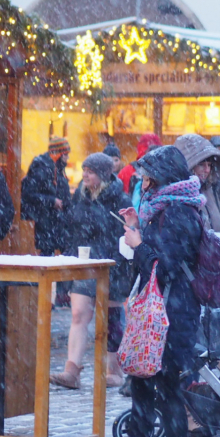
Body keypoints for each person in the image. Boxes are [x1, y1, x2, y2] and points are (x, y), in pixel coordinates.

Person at [92, 146, 205, 437]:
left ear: (162, 176)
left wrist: (138, 243)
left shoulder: (177, 212)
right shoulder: (172, 207)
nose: (142, 179)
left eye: (147, 173)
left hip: (168, 315)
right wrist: (135, 227)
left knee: (146, 387)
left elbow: (164, 265)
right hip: (171, 311)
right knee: (166, 390)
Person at [50, 153, 130, 390]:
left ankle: (113, 370)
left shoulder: (119, 199)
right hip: (83, 265)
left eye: (90, 171)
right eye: (84, 170)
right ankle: (71, 371)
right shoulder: (79, 197)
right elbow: (73, 228)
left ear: (103, 175)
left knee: (111, 319)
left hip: (111, 266)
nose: (85, 175)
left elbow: (125, 234)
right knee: (79, 314)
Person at [21, 136, 71, 256]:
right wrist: (51, 201)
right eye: (66, 154)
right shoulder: (42, 168)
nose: (68, 158)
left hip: (55, 223)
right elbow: (29, 193)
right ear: (59, 154)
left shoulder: (55, 168)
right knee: (47, 256)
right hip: (46, 222)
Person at [174, 134, 220, 231]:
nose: (207, 170)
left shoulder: (210, 190)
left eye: (209, 165)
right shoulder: (178, 196)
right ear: (188, 167)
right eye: (201, 165)